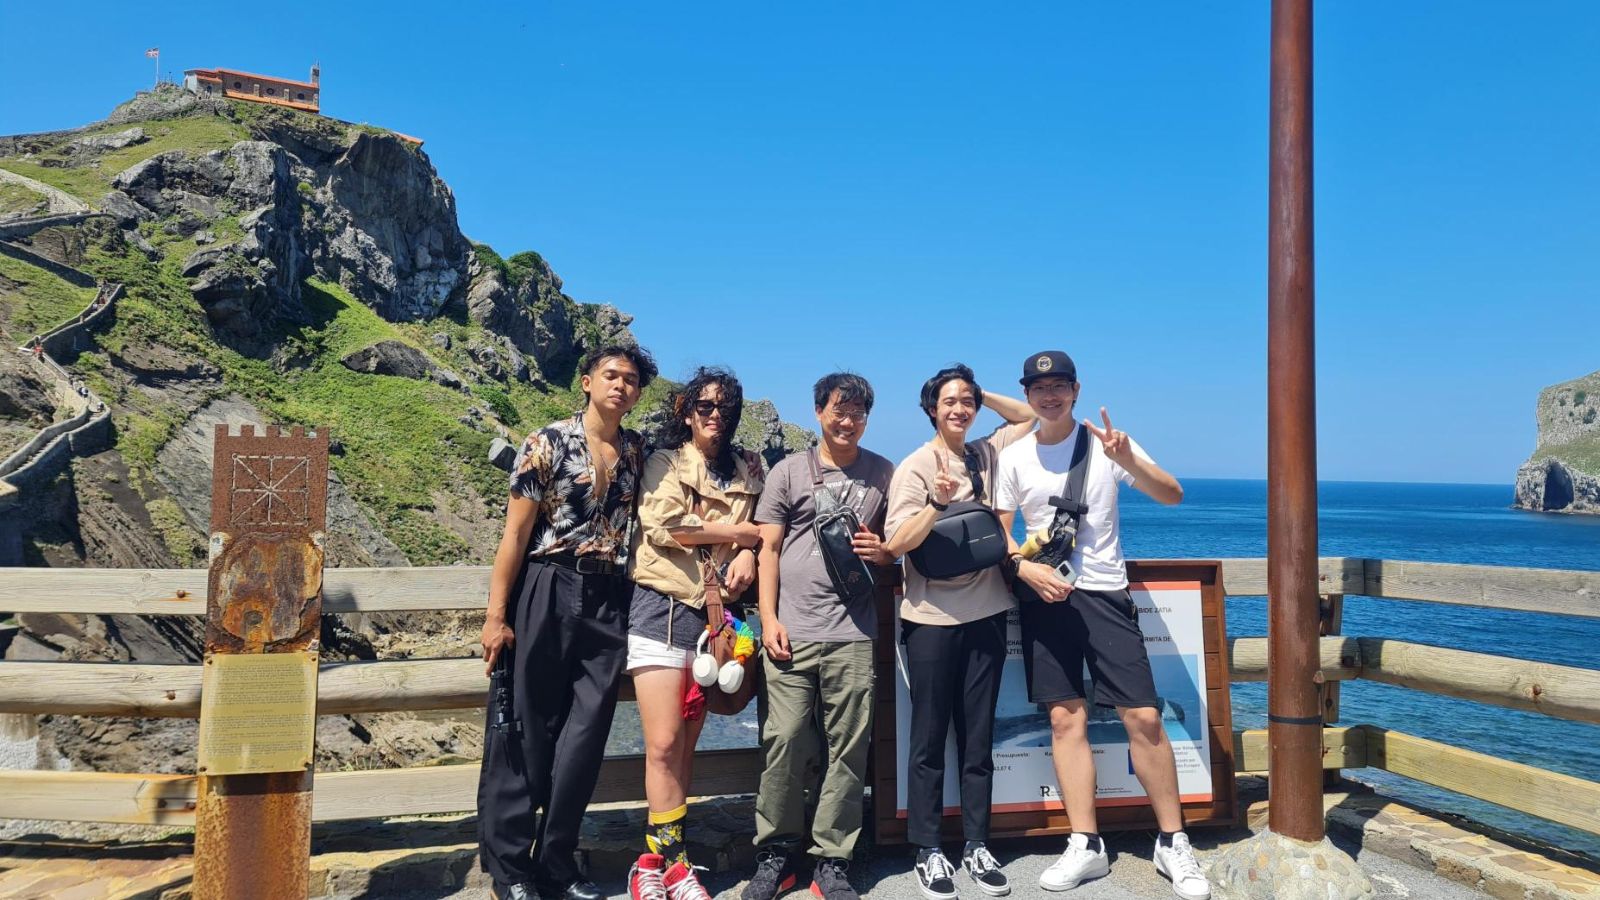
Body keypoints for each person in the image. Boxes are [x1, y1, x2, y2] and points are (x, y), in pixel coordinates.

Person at [993, 350, 1208, 900]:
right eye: (1039, 388)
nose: (1049, 395)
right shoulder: (1014, 457)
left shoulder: (1108, 444)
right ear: (1027, 393)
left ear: (1076, 390)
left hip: (1107, 594)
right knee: (1067, 721)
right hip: (1046, 597)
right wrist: (1024, 569)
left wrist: (1129, 460)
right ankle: (1085, 843)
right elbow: (1002, 536)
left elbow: (1172, 494)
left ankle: (1172, 840)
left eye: (1059, 385)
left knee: (1143, 716)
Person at [477, 343, 659, 900]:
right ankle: (511, 870)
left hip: (609, 595)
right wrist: (496, 616)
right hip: (547, 586)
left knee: (584, 737)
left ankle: (557, 859)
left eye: (630, 380)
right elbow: (514, 535)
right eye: (611, 375)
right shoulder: (547, 442)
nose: (621, 386)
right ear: (587, 381)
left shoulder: (636, 451)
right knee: (527, 727)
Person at [881, 364, 1034, 900]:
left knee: (977, 738)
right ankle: (927, 849)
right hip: (931, 621)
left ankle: (977, 844)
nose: (959, 409)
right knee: (926, 740)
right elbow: (896, 542)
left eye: (965, 401)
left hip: (987, 614)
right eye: (948, 401)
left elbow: (1031, 414)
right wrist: (938, 503)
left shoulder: (987, 453)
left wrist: (979, 389)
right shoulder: (916, 466)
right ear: (930, 409)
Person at [743, 372, 896, 900]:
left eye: (857, 412)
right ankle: (777, 853)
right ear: (818, 412)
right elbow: (767, 549)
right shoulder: (788, 471)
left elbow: (901, 536)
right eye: (838, 410)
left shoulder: (882, 473)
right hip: (793, 630)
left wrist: (887, 550)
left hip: (853, 634)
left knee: (848, 749)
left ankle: (833, 859)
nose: (847, 420)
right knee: (783, 739)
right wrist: (769, 618)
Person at [626, 367, 766, 900]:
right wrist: (738, 533)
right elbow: (664, 528)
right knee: (662, 742)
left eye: (724, 409)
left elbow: (765, 526)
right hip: (660, 609)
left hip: (714, 623)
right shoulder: (664, 462)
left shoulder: (748, 468)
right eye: (704, 407)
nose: (714, 416)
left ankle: (661, 863)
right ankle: (669, 861)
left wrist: (752, 551)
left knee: (685, 744)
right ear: (685, 411)